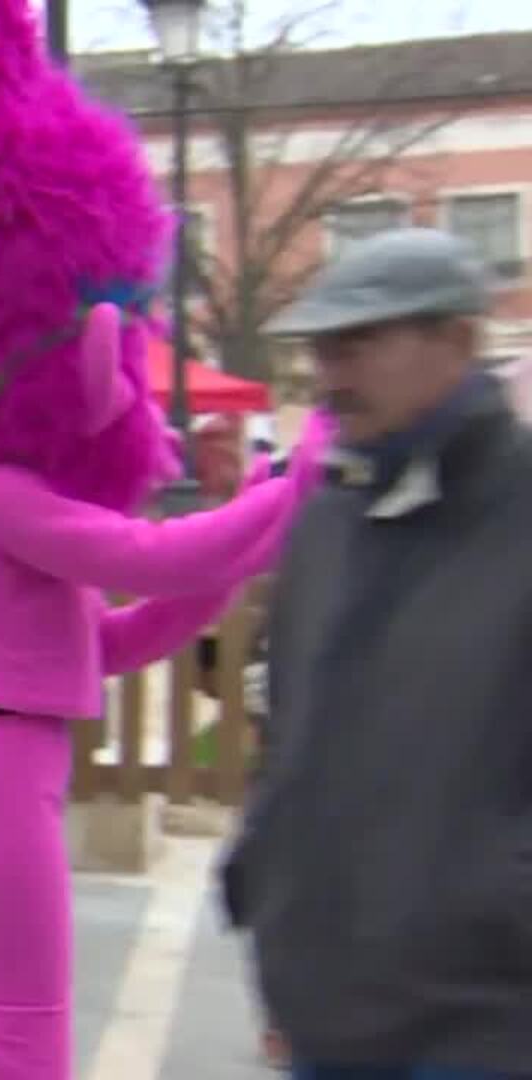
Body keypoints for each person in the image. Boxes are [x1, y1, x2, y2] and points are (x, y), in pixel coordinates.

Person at [0, 3, 321, 1072]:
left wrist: (236, 548)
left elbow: (106, 642)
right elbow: (152, 559)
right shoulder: (5, 497)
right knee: (25, 1042)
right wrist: (291, 486)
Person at [223, 229, 532, 1078]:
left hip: (483, 1023)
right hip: (328, 1003)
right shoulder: (327, 523)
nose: (329, 376)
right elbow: (291, 735)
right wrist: (271, 901)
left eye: (358, 344)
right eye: (320, 349)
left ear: (457, 341)